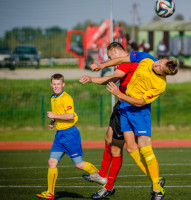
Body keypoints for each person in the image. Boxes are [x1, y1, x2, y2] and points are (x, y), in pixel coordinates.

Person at [91, 50, 178, 200]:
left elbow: (141, 102)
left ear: (163, 73)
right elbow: (122, 59)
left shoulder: (160, 85)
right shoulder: (146, 58)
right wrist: (101, 65)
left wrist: (119, 94)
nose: (156, 64)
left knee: (145, 148)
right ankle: (156, 180)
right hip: (125, 107)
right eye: (159, 61)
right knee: (131, 148)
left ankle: (157, 190)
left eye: (159, 66)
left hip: (139, 112)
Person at [79, 42, 139, 199]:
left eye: (111, 57)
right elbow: (112, 78)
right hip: (121, 106)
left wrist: (93, 77)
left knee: (117, 149)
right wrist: (94, 77)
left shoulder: (128, 61)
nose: (111, 60)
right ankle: (102, 175)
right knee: (107, 138)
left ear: (114, 51)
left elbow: (114, 77)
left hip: (127, 107)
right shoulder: (126, 61)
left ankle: (109, 186)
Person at [36, 73, 99, 200]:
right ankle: (50, 192)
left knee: (79, 164)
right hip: (59, 135)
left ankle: (102, 178)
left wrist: (54, 115)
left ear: (63, 84)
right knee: (52, 162)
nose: (56, 86)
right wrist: (53, 120)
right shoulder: (53, 97)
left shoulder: (67, 98)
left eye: (58, 84)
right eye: (54, 84)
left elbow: (70, 115)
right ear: (51, 84)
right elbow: (59, 114)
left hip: (70, 134)